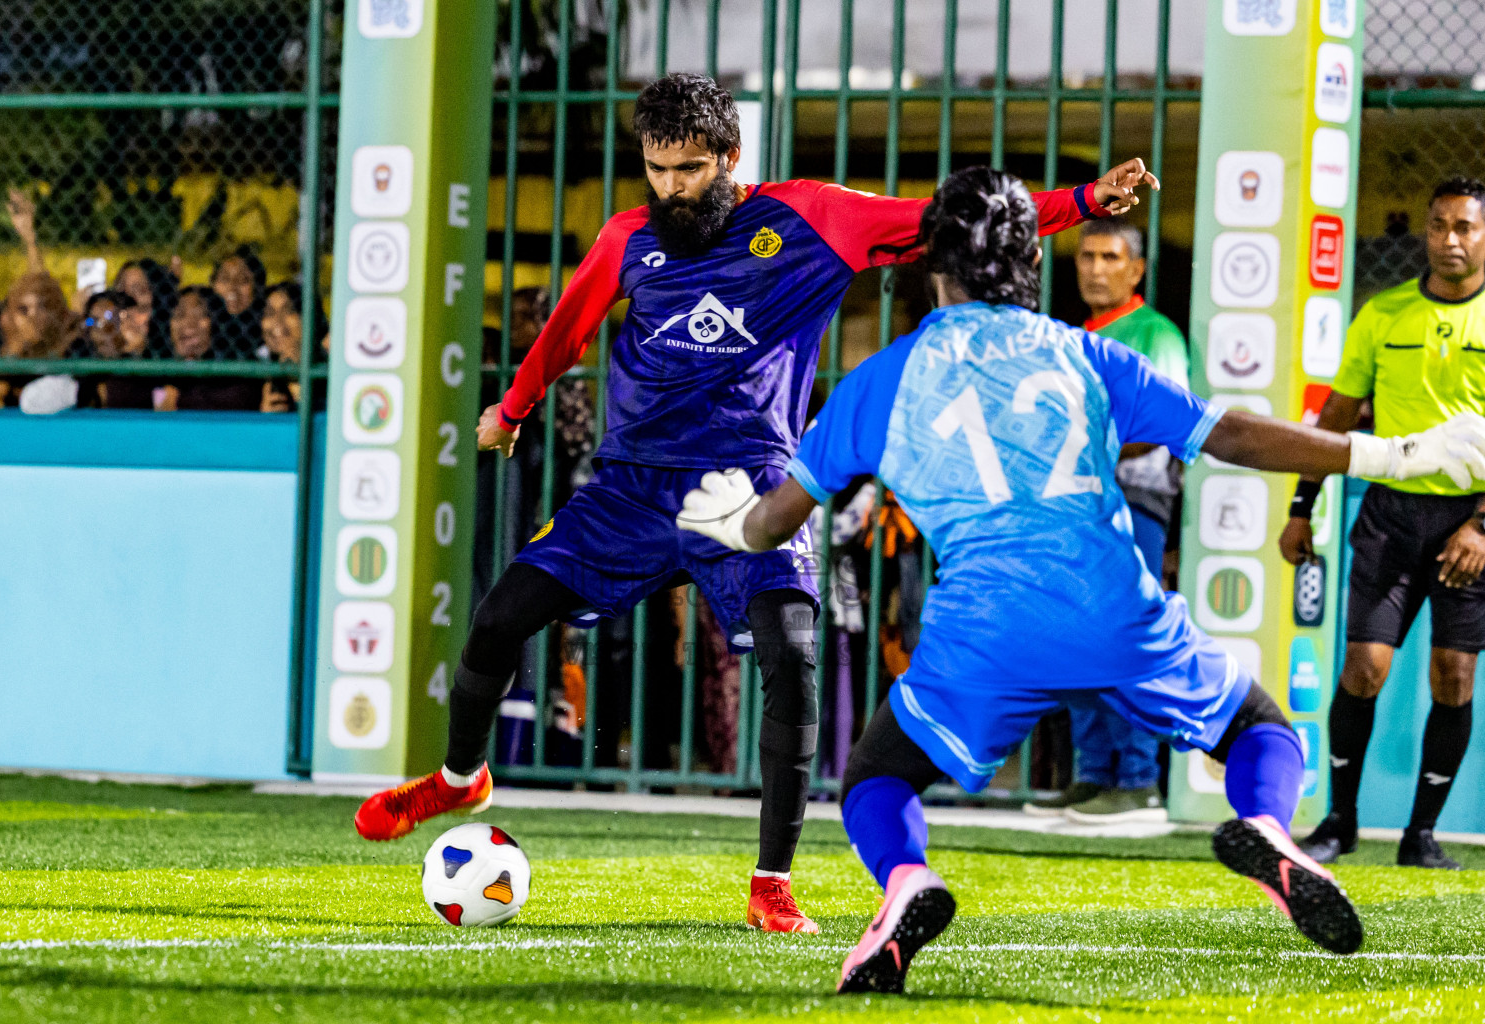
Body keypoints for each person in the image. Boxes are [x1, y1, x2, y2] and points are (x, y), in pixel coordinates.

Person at [353, 71, 1160, 934]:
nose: (670, 188)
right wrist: (512, 410)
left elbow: (945, 223)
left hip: (749, 487)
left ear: (731, 159)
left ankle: (771, 882)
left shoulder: (811, 217)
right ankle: (458, 778)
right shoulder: (629, 236)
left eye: (690, 169)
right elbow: (568, 328)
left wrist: (1081, 199)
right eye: (656, 170)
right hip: (632, 486)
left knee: (792, 655)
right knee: (498, 617)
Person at [676, 167, 1485, 990]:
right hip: (1112, 610)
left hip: (983, 630)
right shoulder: (1086, 352)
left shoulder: (881, 379)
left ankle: (908, 880)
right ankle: (1270, 831)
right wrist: (1389, 454)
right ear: (1035, 260)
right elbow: (1231, 436)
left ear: (929, 261)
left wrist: (724, 522)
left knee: (876, 778)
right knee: (1260, 729)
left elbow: (774, 521)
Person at [1284, 176, 1485, 871]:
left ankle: (1420, 836)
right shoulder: (1383, 314)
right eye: (1439, 226)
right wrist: (1300, 507)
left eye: (1464, 226)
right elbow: (1336, 419)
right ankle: (1339, 822)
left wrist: (1480, 529)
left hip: (1473, 524)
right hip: (1390, 514)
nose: (1450, 239)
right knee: (1364, 669)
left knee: (1454, 678)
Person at [1025, 218, 1189, 823]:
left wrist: (1075, 456)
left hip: (1133, 507)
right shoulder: (1069, 336)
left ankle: (1140, 780)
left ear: (1136, 269)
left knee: (1126, 635)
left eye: (1109, 257)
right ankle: (1093, 775)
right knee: (1073, 639)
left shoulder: (1155, 333)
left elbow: (1155, 428)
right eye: (1086, 256)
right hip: (1073, 508)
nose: (1095, 268)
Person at [158, 286, 260, 411]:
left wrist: (178, 401)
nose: (189, 323)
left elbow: (239, 399)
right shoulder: (158, 367)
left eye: (201, 315)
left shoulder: (236, 368)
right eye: (179, 315)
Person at [75, 290, 155, 410]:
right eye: (94, 322)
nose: (104, 331)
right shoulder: (85, 376)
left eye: (111, 319)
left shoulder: (152, 367)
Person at [259, 280, 328, 412]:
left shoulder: (330, 375)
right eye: (269, 313)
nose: (277, 321)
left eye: (289, 311)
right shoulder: (254, 379)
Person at [114, 258, 179, 359]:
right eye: (135, 285)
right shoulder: (116, 318)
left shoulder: (170, 319)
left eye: (146, 282)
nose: (142, 287)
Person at [210, 244, 267, 359]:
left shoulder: (265, 330)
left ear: (257, 287)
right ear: (212, 284)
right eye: (225, 279)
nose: (232, 288)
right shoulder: (205, 326)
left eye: (243, 280)